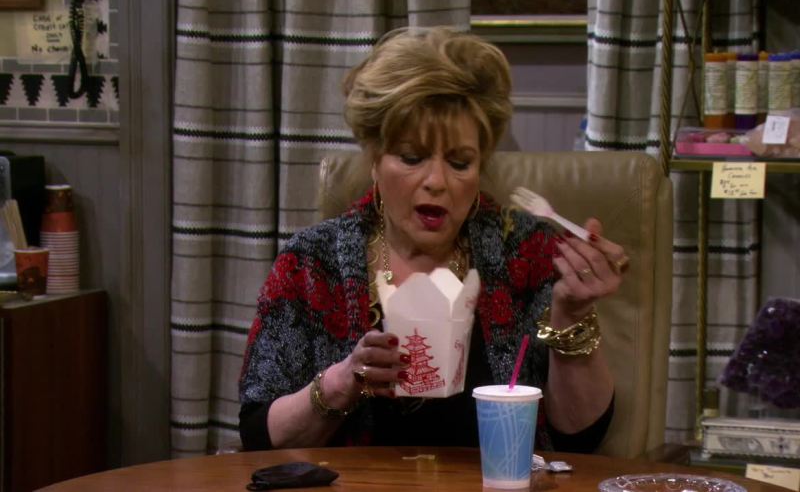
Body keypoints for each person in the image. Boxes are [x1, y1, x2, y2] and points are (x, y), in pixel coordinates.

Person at [239, 26, 628, 452]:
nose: (437, 181)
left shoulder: (525, 250)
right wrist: (341, 382)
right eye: (412, 157)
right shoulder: (313, 261)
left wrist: (571, 315)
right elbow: (260, 435)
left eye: (460, 163)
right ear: (374, 160)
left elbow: (580, 438)